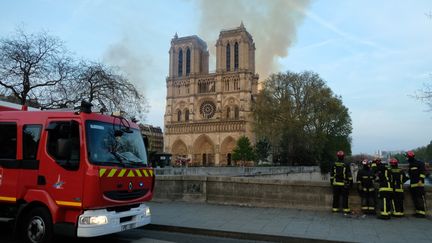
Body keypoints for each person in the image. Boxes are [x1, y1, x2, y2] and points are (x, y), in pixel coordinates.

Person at [406, 151, 427, 217]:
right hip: (413, 184)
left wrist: (420, 180)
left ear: (410, 157)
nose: (407, 158)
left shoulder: (419, 163)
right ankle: (418, 212)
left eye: (407, 157)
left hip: (419, 184)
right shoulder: (411, 164)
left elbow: (423, 172)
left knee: (419, 198)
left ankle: (422, 213)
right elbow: (410, 175)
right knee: (415, 199)